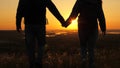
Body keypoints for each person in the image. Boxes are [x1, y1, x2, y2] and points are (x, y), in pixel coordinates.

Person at [16, 0, 65, 68]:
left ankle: (32, 64)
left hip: (29, 24)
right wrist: (62, 21)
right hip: (40, 24)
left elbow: (19, 10)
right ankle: (38, 62)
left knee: (30, 46)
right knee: (41, 44)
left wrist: (18, 23)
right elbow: (53, 8)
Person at [64, 0, 106, 68]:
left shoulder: (80, 1)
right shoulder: (97, 2)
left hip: (82, 27)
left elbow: (74, 13)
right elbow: (101, 15)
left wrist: (66, 23)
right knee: (91, 48)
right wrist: (103, 28)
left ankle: (83, 61)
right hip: (93, 27)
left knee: (83, 46)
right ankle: (91, 64)